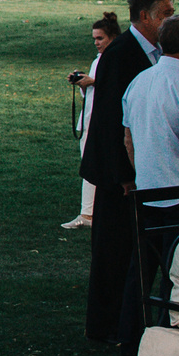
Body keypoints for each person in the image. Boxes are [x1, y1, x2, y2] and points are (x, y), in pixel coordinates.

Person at [80, 0, 172, 346]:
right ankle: (104, 326)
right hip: (117, 172)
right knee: (111, 249)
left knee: (133, 249)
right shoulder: (120, 54)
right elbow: (107, 118)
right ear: (145, 17)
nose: (171, 19)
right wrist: (123, 174)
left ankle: (128, 319)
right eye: (165, 13)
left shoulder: (156, 53)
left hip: (143, 166)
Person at [121, 14, 179, 336]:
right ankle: (170, 336)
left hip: (148, 189)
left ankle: (131, 336)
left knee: (141, 270)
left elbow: (128, 138)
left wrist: (144, 169)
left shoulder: (140, 81)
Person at [64, 13, 120, 228]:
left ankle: (90, 213)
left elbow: (116, 89)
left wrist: (94, 83)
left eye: (100, 38)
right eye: (95, 39)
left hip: (103, 122)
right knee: (89, 166)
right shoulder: (99, 60)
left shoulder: (114, 60)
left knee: (95, 166)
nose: (96, 43)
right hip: (90, 119)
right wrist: (83, 84)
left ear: (112, 37)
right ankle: (89, 212)